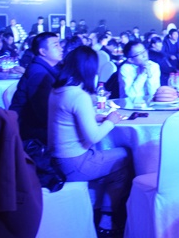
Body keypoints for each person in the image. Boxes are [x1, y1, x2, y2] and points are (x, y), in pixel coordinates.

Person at [48, 46, 132, 236]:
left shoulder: (58, 90)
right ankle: (108, 218)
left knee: (113, 159)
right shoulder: (79, 96)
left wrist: (94, 117)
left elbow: (67, 119)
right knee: (126, 156)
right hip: (75, 163)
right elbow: (93, 137)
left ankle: (99, 208)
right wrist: (111, 121)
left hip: (57, 160)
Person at [10, 32, 63, 143]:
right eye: (56, 45)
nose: (61, 49)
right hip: (30, 130)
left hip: (36, 125)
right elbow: (43, 113)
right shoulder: (39, 73)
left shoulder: (47, 68)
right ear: (43, 52)